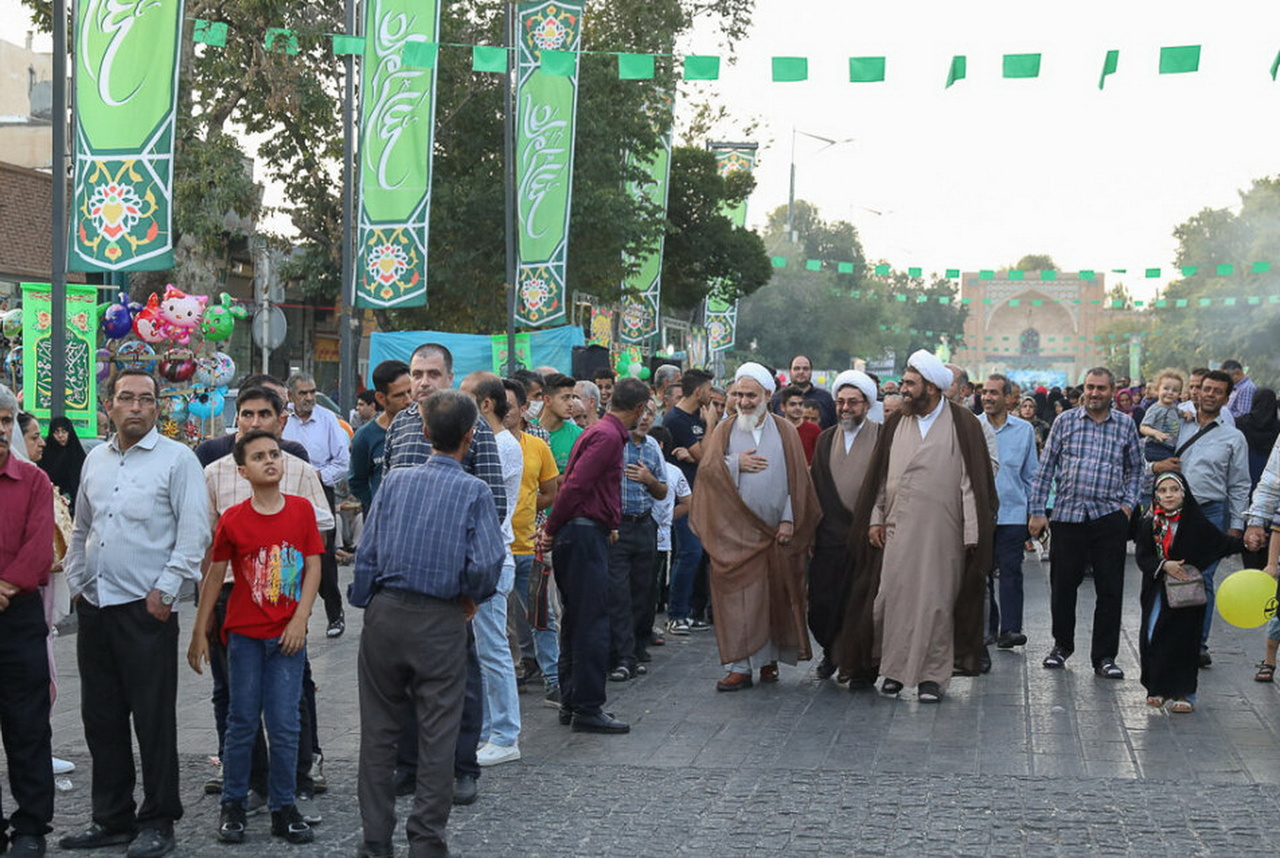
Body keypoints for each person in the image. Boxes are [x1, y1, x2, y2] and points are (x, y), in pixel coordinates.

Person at [61, 370, 211, 858]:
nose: (136, 407)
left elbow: (194, 535)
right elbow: (82, 527)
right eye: (126, 398)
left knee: (152, 719)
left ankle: (159, 819)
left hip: (146, 611)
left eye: (146, 399)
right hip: (97, 607)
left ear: (157, 407)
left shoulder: (177, 460)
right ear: (110, 404)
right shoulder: (96, 461)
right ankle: (112, 818)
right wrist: (77, 582)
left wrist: (165, 593)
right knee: (100, 719)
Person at [350, 390, 505, 858]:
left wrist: (366, 602)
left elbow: (367, 555)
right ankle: (426, 841)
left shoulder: (394, 481)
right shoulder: (475, 490)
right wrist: (466, 596)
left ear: (423, 432)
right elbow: (486, 565)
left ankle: (376, 840)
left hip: (386, 614)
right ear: (470, 437)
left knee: (378, 734)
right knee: (439, 736)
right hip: (440, 618)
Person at [381, 343, 505, 806]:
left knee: (461, 681)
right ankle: (409, 765)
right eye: (417, 373)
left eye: (433, 372)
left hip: (453, 584)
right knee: (405, 680)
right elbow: (387, 508)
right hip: (403, 582)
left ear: (449, 376)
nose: (423, 381)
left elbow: (493, 506)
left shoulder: (470, 427)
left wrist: (472, 585)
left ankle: (462, 768)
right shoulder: (401, 428)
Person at [833, 351, 996, 702]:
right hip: (897, 528)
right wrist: (875, 518)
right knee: (891, 599)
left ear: (933, 388)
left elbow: (971, 482)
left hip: (944, 531)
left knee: (936, 603)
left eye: (910, 384)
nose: (904, 390)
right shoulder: (896, 423)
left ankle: (931, 678)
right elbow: (880, 478)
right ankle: (893, 671)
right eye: (905, 383)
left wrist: (972, 534)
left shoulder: (963, 424)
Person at [201, 386, 333, 810]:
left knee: (290, 702)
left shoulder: (297, 474)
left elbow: (317, 547)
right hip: (234, 606)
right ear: (236, 419)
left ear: (280, 419)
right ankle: (242, 787)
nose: (253, 421)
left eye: (263, 413)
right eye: (245, 414)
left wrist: (301, 612)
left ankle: (293, 783)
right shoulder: (217, 472)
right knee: (235, 703)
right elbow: (210, 550)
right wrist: (201, 624)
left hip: (286, 605)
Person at [691, 362, 820, 691]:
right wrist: (736, 464)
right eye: (738, 394)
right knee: (738, 599)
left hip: (777, 532)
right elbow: (707, 471)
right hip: (735, 532)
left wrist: (790, 519)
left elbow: (798, 482)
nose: (743, 401)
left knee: (773, 596)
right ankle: (740, 667)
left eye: (750, 395)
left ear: (767, 394)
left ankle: (767, 661)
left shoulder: (784, 430)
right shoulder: (725, 429)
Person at [538, 378, 651, 734]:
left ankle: (573, 700)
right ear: (638, 409)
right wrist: (552, 529)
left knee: (577, 621)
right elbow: (574, 487)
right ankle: (586, 705)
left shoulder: (601, 433)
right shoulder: (606, 437)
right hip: (581, 534)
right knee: (590, 623)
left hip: (584, 530)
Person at [1029, 367, 1142, 679]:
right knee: (1063, 586)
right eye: (1090, 387)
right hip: (1068, 516)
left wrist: (1127, 507)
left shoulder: (1124, 425)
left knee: (1110, 589)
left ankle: (1105, 656)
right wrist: (1038, 511)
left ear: (1112, 391)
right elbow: (1046, 466)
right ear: (1083, 390)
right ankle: (1061, 646)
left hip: (1109, 518)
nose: (1095, 393)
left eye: (1101, 388)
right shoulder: (1065, 421)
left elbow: (1136, 469)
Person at [1147, 368, 1249, 666]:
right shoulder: (1177, 423)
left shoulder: (1234, 437)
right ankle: (1162, 636)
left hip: (1209, 512)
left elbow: (1240, 484)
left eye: (1218, 391)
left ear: (1227, 398)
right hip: (1169, 513)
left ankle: (1197, 644)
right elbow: (1146, 450)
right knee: (1165, 573)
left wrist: (1236, 526)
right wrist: (1155, 467)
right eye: (1206, 389)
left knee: (1201, 578)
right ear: (1197, 391)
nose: (1210, 395)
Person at [0, 386, 56, 857]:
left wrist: (6, 586)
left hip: (16, 617)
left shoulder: (33, 481)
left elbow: (40, 547)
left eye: (5, 420)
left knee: (27, 726)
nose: (0, 429)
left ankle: (32, 825)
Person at [1135, 472, 1242, 713]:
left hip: (1188, 596)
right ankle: (1158, 688)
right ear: (1156, 495)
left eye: (1174, 489)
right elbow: (1143, 558)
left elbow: (1220, 544)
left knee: (1184, 639)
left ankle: (1184, 692)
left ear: (1184, 493)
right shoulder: (1150, 524)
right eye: (1163, 491)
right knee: (1153, 635)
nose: (1169, 495)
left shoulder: (1196, 523)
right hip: (1157, 591)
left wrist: (1250, 543)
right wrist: (1165, 566)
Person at [459, 372, 524, 767]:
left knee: (493, 649)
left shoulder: (501, 445)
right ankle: (486, 730)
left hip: (493, 557)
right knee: (480, 651)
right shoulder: (489, 441)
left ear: (485, 404)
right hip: (483, 557)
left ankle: (505, 732)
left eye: (466, 397)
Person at [806, 371, 879, 680]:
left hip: (866, 538)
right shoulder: (825, 439)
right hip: (829, 539)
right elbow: (815, 488)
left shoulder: (882, 437)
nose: (846, 408)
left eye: (853, 402)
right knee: (823, 603)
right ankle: (831, 651)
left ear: (866, 404)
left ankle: (858, 664)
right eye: (841, 402)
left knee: (859, 604)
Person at [501, 378, 560, 703]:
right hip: (495, 553)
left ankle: (553, 680)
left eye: (508, 406)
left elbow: (550, 492)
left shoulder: (537, 447)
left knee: (542, 618)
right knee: (499, 624)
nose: (502, 412)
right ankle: (510, 678)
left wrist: (522, 507)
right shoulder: (481, 446)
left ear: (524, 410)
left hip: (528, 548)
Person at [281, 372, 349, 639]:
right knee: (289, 553)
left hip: (320, 490)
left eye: (312, 392)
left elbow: (342, 462)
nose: (309, 398)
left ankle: (335, 614)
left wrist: (318, 476)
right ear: (290, 396)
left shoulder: (328, 419)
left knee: (323, 555)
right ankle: (291, 615)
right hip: (286, 491)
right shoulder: (283, 420)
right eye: (303, 393)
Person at [606, 402, 666, 682]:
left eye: (650, 414)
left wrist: (648, 479)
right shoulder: (613, 442)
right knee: (618, 594)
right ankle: (622, 657)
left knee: (643, 592)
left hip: (644, 525)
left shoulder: (652, 448)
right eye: (640, 412)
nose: (644, 418)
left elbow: (663, 491)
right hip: (616, 528)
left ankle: (635, 650)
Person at [979, 374, 1039, 650]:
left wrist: (1035, 512)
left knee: (1012, 571)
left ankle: (1011, 629)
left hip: (1013, 512)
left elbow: (1030, 475)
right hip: (980, 514)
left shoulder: (1023, 430)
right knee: (982, 572)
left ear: (1008, 398)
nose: (988, 397)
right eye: (984, 392)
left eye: (993, 393)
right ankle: (988, 627)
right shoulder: (972, 426)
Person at [663, 368, 717, 635]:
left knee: (700, 556)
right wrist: (711, 426)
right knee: (688, 553)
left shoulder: (697, 416)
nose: (711, 394)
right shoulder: (676, 420)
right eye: (708, 389)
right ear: (698, 391)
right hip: (684, 499)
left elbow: (708, 457)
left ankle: (694, 611)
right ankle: (676, 614)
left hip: (703, 496)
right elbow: (706, 456)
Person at [348, 361, 412, 515]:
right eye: (399, 395)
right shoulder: (365, 437)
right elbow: (357, 482)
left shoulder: (426, 429)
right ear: (381, 398)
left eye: (410, 391)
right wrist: (377, 503)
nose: (409, 400)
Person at [769, 355, 836, 428]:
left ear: (811, 372)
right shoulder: (777, 398)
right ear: (790, 372)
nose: (801, 372)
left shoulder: (826, 398)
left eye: (805, 369)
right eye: (797, 368)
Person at [536, 373, 584, 476]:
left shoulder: (579, 436)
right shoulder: (527, 431)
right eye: (565, 398)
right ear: (547, 400)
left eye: (572, 397)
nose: (571, 403)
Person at [38, 414, 86, 513]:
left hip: (74, 507)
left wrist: (69, 496)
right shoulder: (45, 455)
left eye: (64, 431)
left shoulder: (77, 454)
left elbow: (81, 482)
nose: (60, 436)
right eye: (56, 432)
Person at [1138, 369, 1186, 463]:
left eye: (1175, 390)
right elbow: (1143, 427)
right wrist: (1156, 433)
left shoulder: (1174, 408)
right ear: (1157, 389)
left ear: (1179, 394)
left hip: (1170, 446)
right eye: (1166, 388)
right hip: (1156, 446)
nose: (1170, 392)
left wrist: (1186, 414)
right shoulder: (1155, 409)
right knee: (1172, 465)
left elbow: (1181, 414)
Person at [779, 384, 822, 464]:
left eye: (800, 404)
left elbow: (820, 459)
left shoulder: (814, 430)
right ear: (783, 407)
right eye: (792, 404)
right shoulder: (776, 429)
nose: (797, 408)